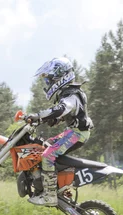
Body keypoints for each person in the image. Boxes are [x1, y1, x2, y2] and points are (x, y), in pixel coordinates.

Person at [24, 57, 94, 206]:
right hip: (73, 132)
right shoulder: (69, 94)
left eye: (49, 80)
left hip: (77, 134)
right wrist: (54, 120)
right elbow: (67, 113)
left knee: (48, 155)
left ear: (60, 77)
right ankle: (56, 186)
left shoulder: (72, 95)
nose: (47, 84)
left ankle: (49, 196)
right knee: (44, 146)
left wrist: (39, 115)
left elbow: (62, 109)